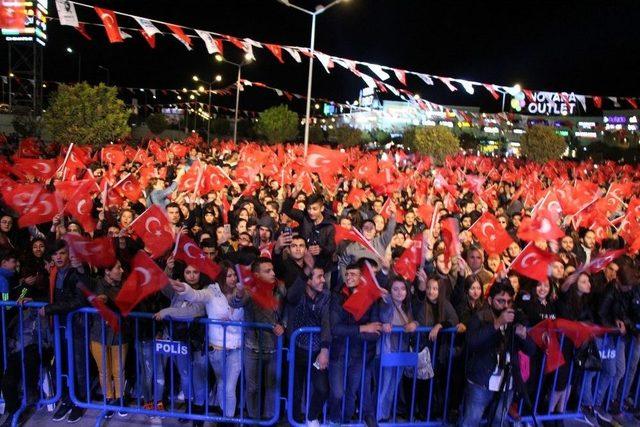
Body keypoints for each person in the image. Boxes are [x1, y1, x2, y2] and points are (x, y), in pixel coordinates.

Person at [171, 262, 244, 420]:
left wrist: (240, 296)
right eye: (228, 275)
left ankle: (227, 420)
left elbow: (241, 311)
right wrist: (186, 289)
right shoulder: (211, 291)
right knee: (222, 384)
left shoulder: (242, 293)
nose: (232, 279)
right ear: (221, 278)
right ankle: (223, 413)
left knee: (230, 387)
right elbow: (196, 296)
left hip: (236, 348)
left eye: (234, 275)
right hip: (216, 348)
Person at [460, 281, 534, 427]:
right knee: (471, 421)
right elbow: (472, 342)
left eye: (509, 301)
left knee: (499, 420)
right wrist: (497, 323)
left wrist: (524, 336)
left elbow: (531, 350)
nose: (505, 305)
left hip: (507, 382)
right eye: (500, 301)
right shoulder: (479, 317)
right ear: (490, 300)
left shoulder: (515, 319)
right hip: (481, 382)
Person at [40, 240, 89, 423]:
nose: (58, 257)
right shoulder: (53, 273)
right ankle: (67, 400)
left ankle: (79, 402)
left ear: (68, 254)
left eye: (62, 253)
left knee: (78, 366)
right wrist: (26, 297)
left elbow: (80, 301)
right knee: (61, 365)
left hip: (76, 328)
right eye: (55, 254)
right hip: (58, 327)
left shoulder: (78, 273)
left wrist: (51, 309)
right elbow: (50, 295)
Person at [231, 257, 285, 421]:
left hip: (274, 348)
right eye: (267, 271)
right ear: (257, 275)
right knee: (252, 388)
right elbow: (235, 304)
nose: (273, 273)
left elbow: (287, 310)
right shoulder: (249, 290)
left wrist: (283, 324)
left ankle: (269, 419)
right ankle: (253, 420)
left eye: (273, 270)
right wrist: (239, 294)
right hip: (252, 348)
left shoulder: (280, 288)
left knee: (272, 388)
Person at [328, 262, 382, 426]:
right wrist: (362, 329)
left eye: (353, 274)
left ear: (362, 277)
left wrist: (355, 332)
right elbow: (336, 328)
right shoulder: (337, 297)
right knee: (337, 393)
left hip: (358, 355)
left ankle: (343, 421)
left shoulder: (371, 300)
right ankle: (334, 420)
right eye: (347, 274)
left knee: (351, 395)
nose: (349, 277)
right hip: (338, 353)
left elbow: (375, 333)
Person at [287, 262, 331, 425]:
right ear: (308, 280)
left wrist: (325, 350)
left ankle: (311, 417)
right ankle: (295, 421)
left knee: (322, 388)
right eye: (319, 277)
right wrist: (305, 271)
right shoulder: (297, 294)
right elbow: (290, 297)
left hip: (316, 352)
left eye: (323, 277)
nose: (323, 280)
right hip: (297, 350)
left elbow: (327, 323)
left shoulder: (326, 296)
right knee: (295, 391)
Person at [89, 261, 128, 419]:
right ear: (107, 271)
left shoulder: (125, 285)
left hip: (120, 334)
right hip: (98, 335)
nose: (121, 270)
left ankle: (120, 399)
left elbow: (124, 305)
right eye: (118, 268)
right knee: (104, 370)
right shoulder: (96, 285)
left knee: (119, 370)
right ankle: (109, 398)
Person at [378, 278, 417, 422]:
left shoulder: (407, 307)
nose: (400, 292)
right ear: (389, 291)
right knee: (385, 385)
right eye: (395, 289)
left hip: (402, 352)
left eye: (402, 288)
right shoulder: (386, 304)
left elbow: (414, 321)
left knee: (393, 386)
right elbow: (383, 316)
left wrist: (415, 323)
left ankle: (385, 415)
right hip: (388, 351)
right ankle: (377, 416)